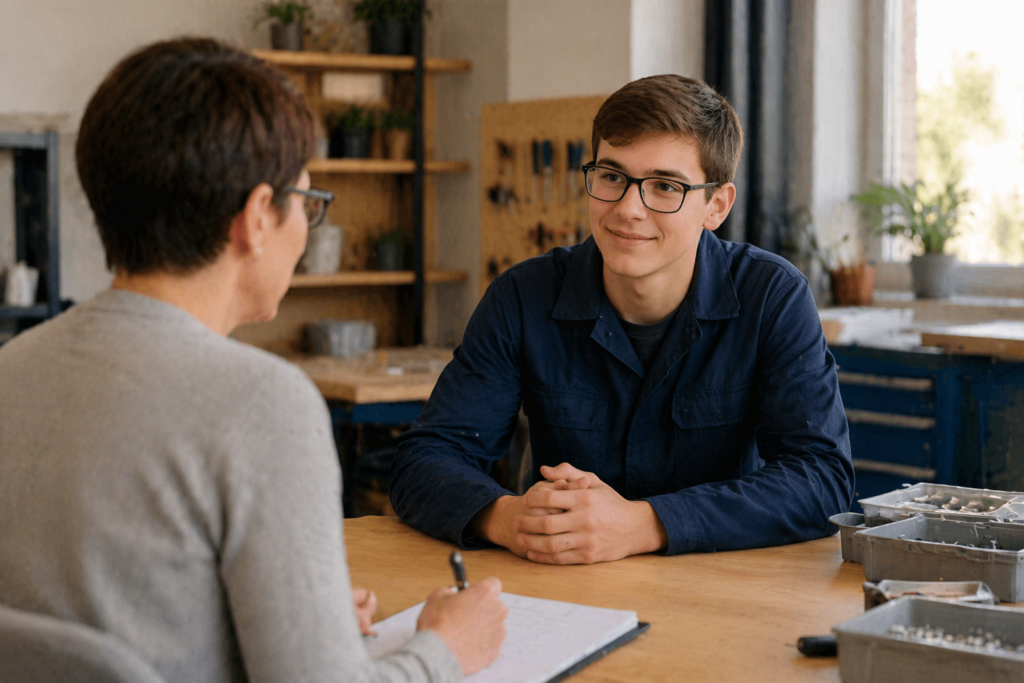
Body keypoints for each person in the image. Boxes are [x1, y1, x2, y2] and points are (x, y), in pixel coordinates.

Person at [0, 38, 506, 682]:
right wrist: (445, 650)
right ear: (257, 217)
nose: (305, 228)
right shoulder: (261, 404)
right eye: (307, 201)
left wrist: (288, 629)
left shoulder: (12, 369)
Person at [389, 74, 854, 565]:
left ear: (715, 205)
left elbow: (822, 477)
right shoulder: (523, 297)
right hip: (565, 588)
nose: (628, 209)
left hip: (719, 591)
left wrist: (645, 524)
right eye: (612, 177)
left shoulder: (773, 296)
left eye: (664, 186)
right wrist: (511, 519)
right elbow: (424, 461)